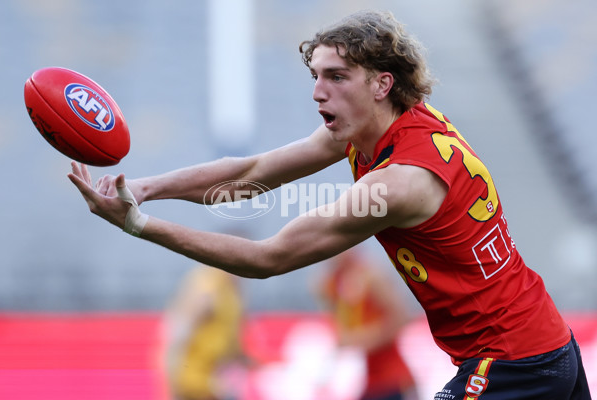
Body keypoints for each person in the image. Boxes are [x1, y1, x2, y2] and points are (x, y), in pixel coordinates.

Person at [68, 10, 591, 399]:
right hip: (545, 344)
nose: (318, 92)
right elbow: (250, 175)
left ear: (383, 84)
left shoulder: (398, 183)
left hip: (513, 362)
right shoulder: (383, 127)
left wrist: (139, 224)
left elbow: (269, 258)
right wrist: (142, 187)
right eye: (315, 76)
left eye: (336, 77)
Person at [317, 247, 418, 400]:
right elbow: (341, 330)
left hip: (391, 379)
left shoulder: (371, 276)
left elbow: (401, 317)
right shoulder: (331, 283)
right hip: (362, 380)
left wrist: (361, 340)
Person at [162, 264, 246, 400]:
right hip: (194, 382)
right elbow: (178, 336)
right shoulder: (208, 288)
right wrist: (173, 377)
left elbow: (231, 342)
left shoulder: (231, 291)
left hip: (214, 381)